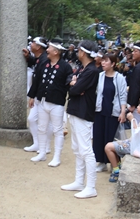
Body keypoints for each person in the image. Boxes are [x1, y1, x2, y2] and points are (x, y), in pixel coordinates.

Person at [61, 39, 99, 199]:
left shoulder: (91, 71)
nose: (77, 52)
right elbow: (70, 83)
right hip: (76, 110)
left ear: (83, 52)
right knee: (77, 148)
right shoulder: (83, 69)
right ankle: (79, 181)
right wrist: (73, 83)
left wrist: (74, 85)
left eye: (79, 50)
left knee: (85, 150)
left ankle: (91, 187)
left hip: (83, 112)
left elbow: (75, 90)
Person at [27, 39, 73, 167]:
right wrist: (32, 96)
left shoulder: (65, 67)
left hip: (57, 103)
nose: (47, 50)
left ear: (56, 52)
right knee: (41, 128)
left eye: (49, 48)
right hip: (42, 100)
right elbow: (37, 80)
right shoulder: (44, 64)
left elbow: (69, 82)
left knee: (57, 130)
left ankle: (56, 157)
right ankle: (42, 152)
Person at [105, 98, 140, 183]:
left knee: (108, 147)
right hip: (136, 144)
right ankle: (118, 166)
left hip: (136, 146)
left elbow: (137, 133)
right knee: (113, 145)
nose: (138, 107)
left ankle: (116, 171)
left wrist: (132, 119)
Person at [92, 53, 127, 173]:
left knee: (111, 138)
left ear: (113, 64)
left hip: (113, 112)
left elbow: (123, 95)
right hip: (100, 110)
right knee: (99, 137)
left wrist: (123, 112)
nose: (103, 63)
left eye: (106, 61)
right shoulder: (100, 76)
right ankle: (101, 162)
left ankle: (114, 163)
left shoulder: (119, 78)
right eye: (102, 60)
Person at [22, 37, 48, 153]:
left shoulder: (44, 60)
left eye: (33, 43)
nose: (31, 44)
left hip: (43, 95)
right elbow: (35, 62)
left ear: (38, 47)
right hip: (38, 94)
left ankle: (45, 146)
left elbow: (38, 80)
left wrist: (33, 96)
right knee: (32, 119)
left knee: (45, 122)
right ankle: (37, 143)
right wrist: (28, 57)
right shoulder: (40, 59)